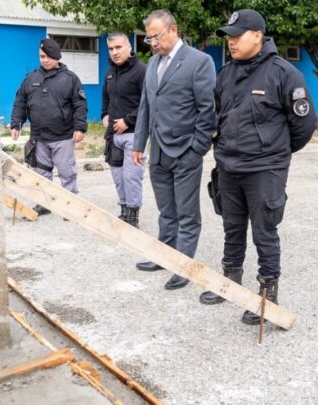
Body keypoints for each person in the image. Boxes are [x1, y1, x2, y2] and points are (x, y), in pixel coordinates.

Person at [200, 9, 317, 325]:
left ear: (258, 35)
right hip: (229, 167)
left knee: (265, 232)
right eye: (229, 36)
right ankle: (229, 283)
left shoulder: (284, 73)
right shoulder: (226, 74)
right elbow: (218, 117)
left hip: (265, 170)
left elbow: (304, 124)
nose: (232, 41)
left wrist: (274, 154)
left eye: (237, 35)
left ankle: (267, 297)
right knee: (231, 226)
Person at [132, 10, 217, 290]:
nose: (152, 43)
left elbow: (208, 111)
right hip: (158, 153)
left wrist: (196, 149)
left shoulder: (198, 62)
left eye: (156, 36)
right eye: (149, 38)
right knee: (166, 210)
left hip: (185, 152)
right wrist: (139, 144)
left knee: (187, 213)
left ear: (173, 30)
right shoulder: (153, 64)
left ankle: (184, 266)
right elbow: (145, 107)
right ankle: (164, 256)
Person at [10, 38, 88, 216]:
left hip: (63, 136)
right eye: (41, 56)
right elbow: (20, 101)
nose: (44, 60)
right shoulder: (31, 78)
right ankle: (44, 203)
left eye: (48, 56)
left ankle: (70, 205)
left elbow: (80, 105)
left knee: (66, 172)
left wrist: (79, 128)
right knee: (41, 172)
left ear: (57, 57)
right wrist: (16, 123)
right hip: (39, 137)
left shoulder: (70, 79)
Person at [101, 32, 147, 227]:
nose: (114, 52)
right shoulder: (110, 72)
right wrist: (104, 115)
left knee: (131, 177)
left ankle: (133, 216)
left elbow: (148, 103)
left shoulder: (141, 71)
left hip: (134, 134)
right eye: (111, 49)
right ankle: (124, 211)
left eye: (118, 47)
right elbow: (106, 97)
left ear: (129, 47)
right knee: (118, 177)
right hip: (114, 135)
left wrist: (128, 121)